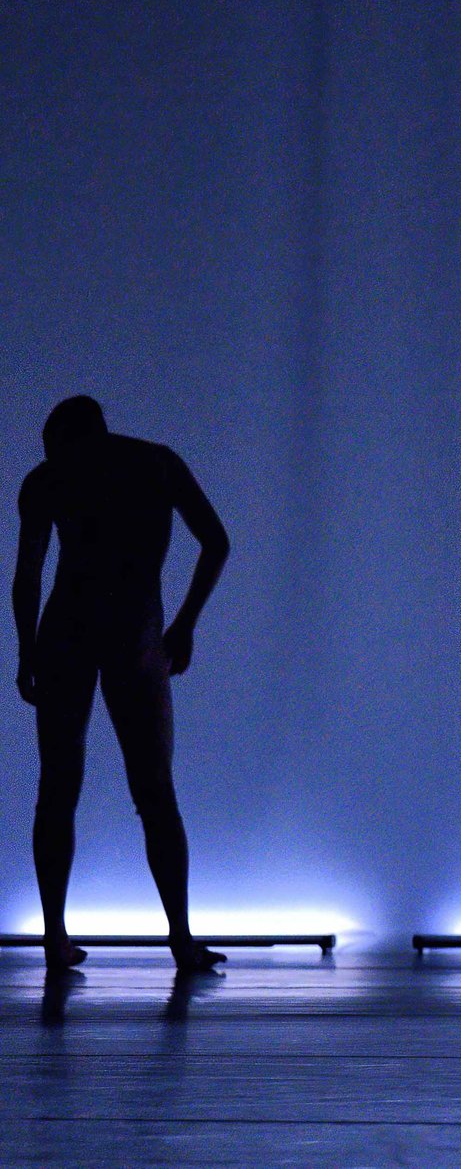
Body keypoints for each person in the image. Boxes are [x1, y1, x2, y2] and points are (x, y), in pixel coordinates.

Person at [11, 396, 229, 973]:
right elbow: (216, 541)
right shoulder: (152, 465)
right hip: (131, 633)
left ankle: (60, 936)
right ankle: (177, 939)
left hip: (79, 633)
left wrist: (26, 647)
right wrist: (182, 624)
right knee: (150, 791)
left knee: (66, 786)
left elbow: (29, 573)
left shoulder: (52, 477)